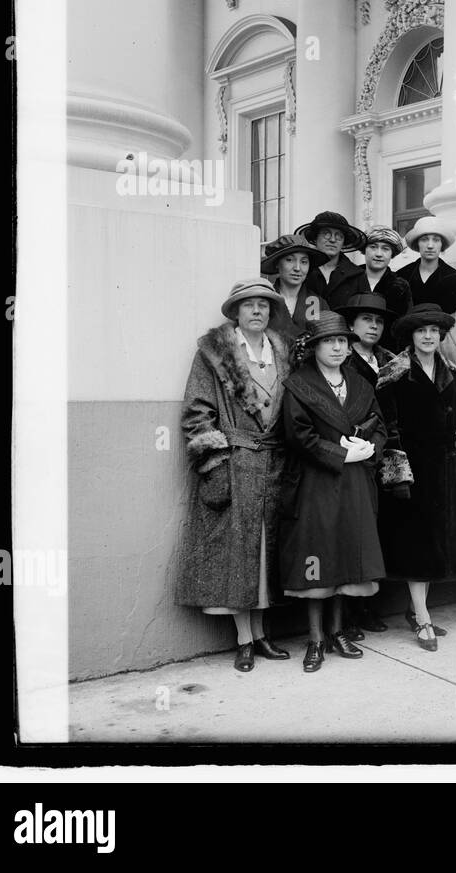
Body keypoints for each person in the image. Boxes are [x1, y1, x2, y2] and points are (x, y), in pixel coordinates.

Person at [177, 279, 293, 672]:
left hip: (274, 464)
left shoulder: (284, 352)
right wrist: (215, 465)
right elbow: (196, 412)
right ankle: (244, 638)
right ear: (236, 312)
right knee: (236, 554)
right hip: (236, 462)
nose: (257, 311)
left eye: (264, 305)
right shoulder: (214, 355)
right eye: (249, 305)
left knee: (265, 553)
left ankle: (261, 634)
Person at [279, 311, 388, 673]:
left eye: (342, 341)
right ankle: (314, 638)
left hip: (355, 482)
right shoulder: (300, 385)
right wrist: (340, 453)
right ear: (314, 347)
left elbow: (380, 424)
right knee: (317, 555)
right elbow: (298, 435)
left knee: (346, 553)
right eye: (330, 341)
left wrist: (369, 445)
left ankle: (338, 631)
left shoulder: (360, 383)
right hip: (317, 481)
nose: (338, 347)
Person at [374, 303, 456, 652]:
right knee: (416, 545)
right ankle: (423, 618)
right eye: (421, 331)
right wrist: (399, 473)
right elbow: (387, 426)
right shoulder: (394, 373)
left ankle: (418, 612)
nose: (428, 336)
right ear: (411, 336)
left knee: (435, 545)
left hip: (443, 470)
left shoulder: (451, 372)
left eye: (434, 331)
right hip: (411, 472)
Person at [336, 291, 400, 637]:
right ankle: (348, 614)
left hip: (386, 457)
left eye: (378, 321)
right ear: (352, 326)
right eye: (366, 320)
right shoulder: (342, 363)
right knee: (352, 535)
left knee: (380, 534)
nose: (373, 326)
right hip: (352, 456)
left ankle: (370, 607)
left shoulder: (389, 361)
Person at [336, 226, 412, 351]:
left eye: (385, 249)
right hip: (347, 352)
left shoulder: (400, 286)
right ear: (364, 250)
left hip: (387, 354)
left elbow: (404, 326)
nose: (378, 254)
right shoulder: (347, 279)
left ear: (392, 254)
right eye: (373, 247)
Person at [261, 233, 329, 342]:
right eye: (289, 260)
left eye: (304, 262)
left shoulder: (318, 303)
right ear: (277, 264)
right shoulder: (264, 300)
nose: (297, 268)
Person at [297, 210, 367, 309]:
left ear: (343, 242)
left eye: (339, 236)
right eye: (326, 234)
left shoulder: (357, 276)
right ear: (315, 238)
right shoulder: (301, 271)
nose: (333, 240)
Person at [395, 215, 456, 307]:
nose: (430, 246)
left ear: (442, 244)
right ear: (417, 243)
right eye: (424, 240)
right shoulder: (403, 275)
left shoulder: (453, 277)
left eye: (436, 240)